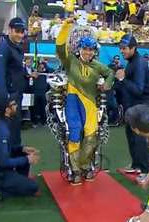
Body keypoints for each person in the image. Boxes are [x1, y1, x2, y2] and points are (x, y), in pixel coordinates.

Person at [56, 17, 114, 185]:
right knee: (75, 131)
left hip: (90, 103)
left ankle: (85, 166)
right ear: (79, 49)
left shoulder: (98, 66)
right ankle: (74, 170)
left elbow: (110, 73)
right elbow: (60, 47)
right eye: (85, 49)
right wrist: (66, 26)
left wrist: (108, 84)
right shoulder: (70, 61)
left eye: (91, 50)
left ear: (94, 51)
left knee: (91, 134)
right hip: (73, 101)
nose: (88, 52)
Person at [0, 95, 40, 200]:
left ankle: (16, 181)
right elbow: (2, 162)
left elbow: (3, 149)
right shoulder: (2, 129)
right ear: (7, 110)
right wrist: (27, 159)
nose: (16, 106)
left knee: (24, 154)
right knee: (33, 187)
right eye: (14, 105)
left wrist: (22, 149)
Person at [116, 34, 149, 175]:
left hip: (142, 106)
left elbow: (138, 90)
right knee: (131, 136)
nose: (121, 51)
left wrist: (122, 79)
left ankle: (144, 170)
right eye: (121, 48)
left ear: (133, 48)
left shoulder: (139, 63)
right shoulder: (132, 61)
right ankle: (136, 165)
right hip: (133, 107)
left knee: (139, 139)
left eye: (124, 48)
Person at [0, 17, 26, 147]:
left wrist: (28, 75)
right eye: (17, 31)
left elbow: (14, 71)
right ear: (10, 30)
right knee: (7, 136)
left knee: (14, 133)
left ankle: (13, 163)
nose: (20, 34)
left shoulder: (15, 47)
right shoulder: (4, 47)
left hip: (16, 95)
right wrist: (6, 100)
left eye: (22, 31)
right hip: (9, 98)